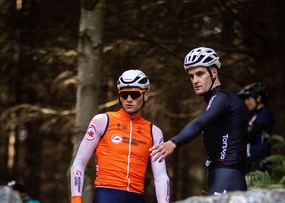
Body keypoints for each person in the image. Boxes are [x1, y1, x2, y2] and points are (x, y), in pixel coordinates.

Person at [150, 47, 248, 195]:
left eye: (200, 74)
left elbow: (199, 123)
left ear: (214, 72)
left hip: (227, 173)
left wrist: (173, 142)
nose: (195, 80)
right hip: (221, 172)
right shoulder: (218, 100)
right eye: (191, 76)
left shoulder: (221, 98)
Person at [70, 69, 170, 203]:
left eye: (134, 95)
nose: (129, 99)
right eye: (124, 94)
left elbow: (161, 176)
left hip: (137, 196)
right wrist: (76, 199)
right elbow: (79, 163)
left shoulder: (154, 132)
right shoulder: (102, 121)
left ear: (145, 95)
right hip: (106, 194)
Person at [238, 82, 275, 172]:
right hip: (250, 159)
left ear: (258, 98)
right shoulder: (254, 116)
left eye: (248, 98)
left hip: (259, 159)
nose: (246, 102)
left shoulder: (265, 113)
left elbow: (251, 135)